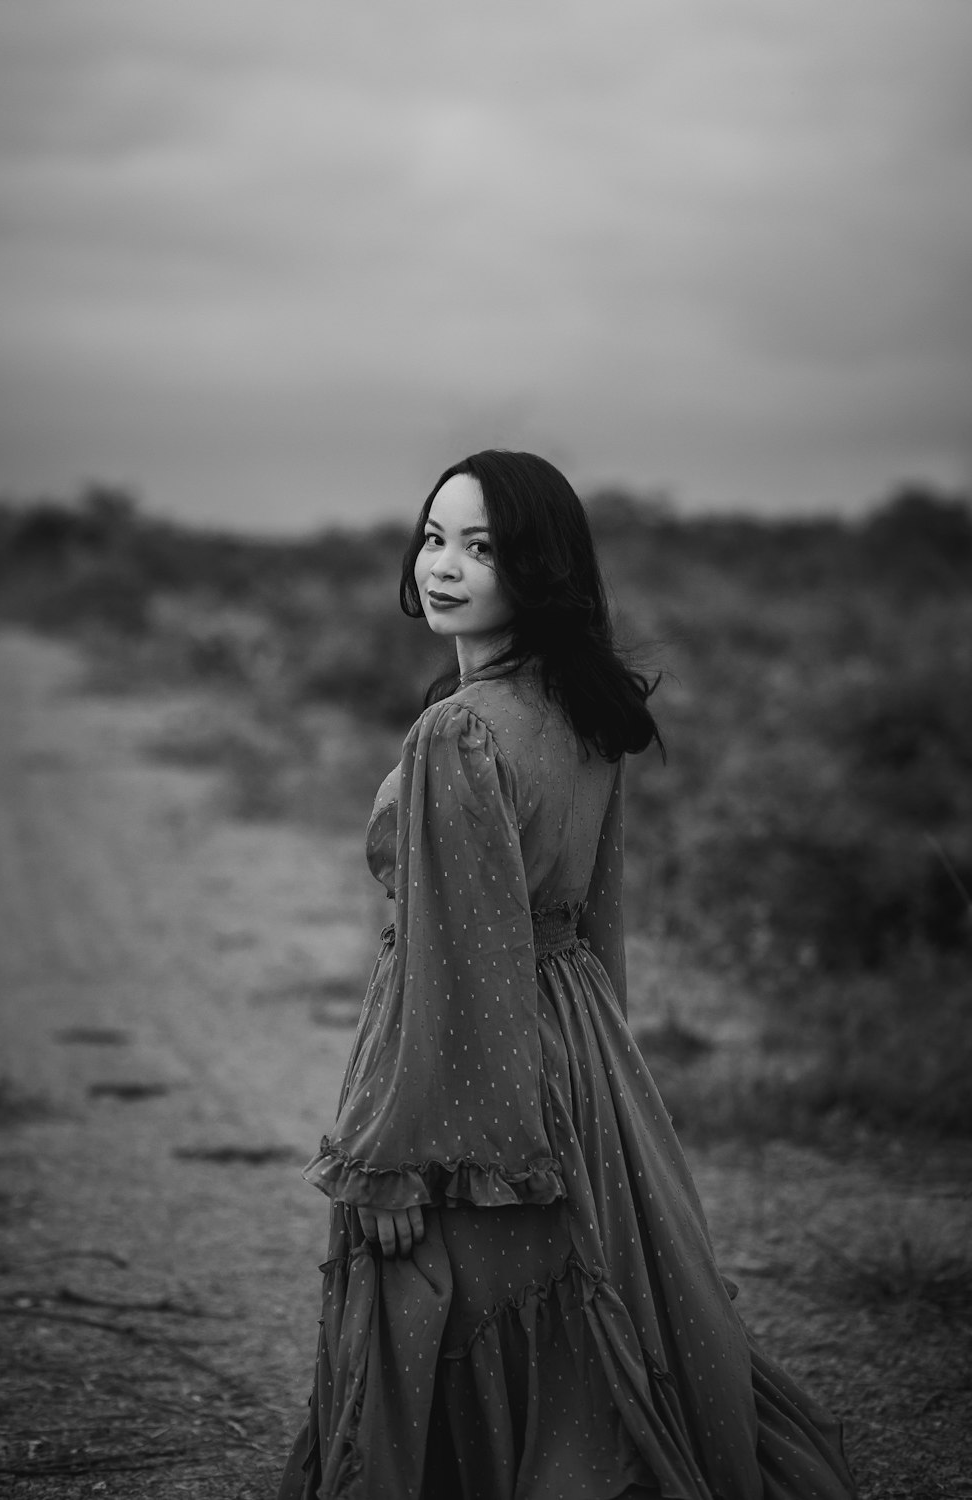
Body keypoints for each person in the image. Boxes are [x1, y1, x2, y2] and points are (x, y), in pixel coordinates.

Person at [277, 451, 856, 1499]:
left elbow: (456, 968)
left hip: (469, 1063)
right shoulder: (581, 708)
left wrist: (398, 1158)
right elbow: (596, 925)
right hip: (579, 1044)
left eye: (482, 547)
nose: (444, 565)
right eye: (434, 536)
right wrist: (605, 1088)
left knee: (450, 1305)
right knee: (591, 1315)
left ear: (537, 569)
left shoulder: (459, 731)